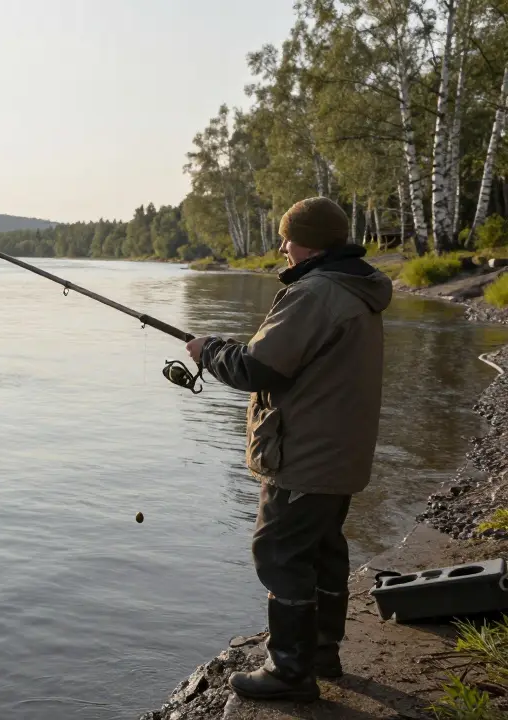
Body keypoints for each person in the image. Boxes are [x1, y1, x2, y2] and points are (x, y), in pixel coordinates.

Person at [185, 196, 393, 703]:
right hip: (340, 450)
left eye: (288, 238)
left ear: (310, 243)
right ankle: (321, 653)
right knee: (322, 550)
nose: (282, 247)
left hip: (305, 454)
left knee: (279, 551)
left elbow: (258, 369)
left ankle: (290, 671)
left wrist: (209, 350)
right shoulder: (354, 287)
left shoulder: (316, 292)